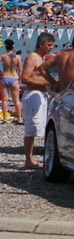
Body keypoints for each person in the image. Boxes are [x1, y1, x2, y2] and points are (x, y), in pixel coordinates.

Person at [20, 33, 56, 169]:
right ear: (41, 44)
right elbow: (25, 79)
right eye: (49, 45)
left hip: (41, 95)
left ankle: (32, 158)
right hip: (33, 94)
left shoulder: (43, 58)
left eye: (52, 45)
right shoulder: (32, 58)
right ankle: (28, 160)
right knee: (31, 128)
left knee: (38, 127)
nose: (51, 48)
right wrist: (46, 82)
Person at [1, 39, 22, 124]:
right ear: (13, 47)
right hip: (14, 77)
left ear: (5, 47)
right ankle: (20, 118)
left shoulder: (3, 56)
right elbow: (20, 70)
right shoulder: (18, 57)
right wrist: (20, 79)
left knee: (5, 100)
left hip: (4, 77)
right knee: (16, 100)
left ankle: (5, 118)